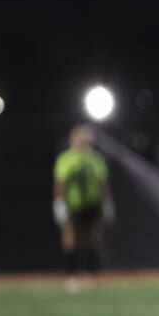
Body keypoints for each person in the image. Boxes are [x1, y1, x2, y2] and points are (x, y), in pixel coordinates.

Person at [52, 124, 114, 292]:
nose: (84, 142)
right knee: (70, 239)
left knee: (90, 239)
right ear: (72, 140)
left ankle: (90, 275)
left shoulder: (95, 158)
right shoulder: (66, 158)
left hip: (92, 204)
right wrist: (59, 203)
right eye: (81, 138)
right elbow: (60, 183)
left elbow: (102, 183)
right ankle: (72, 276)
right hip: (73, 204)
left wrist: (107, 202)